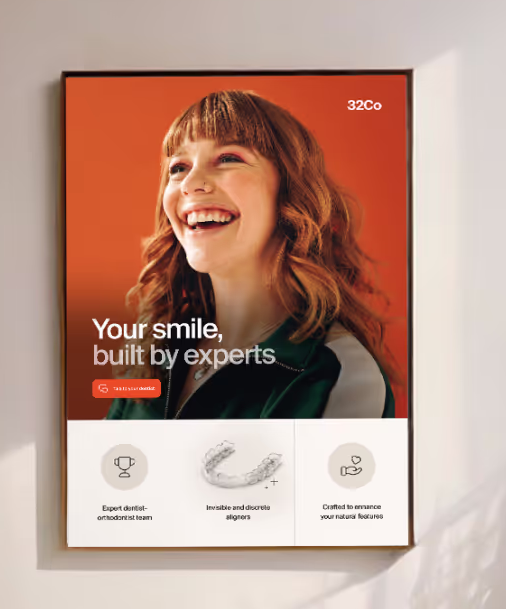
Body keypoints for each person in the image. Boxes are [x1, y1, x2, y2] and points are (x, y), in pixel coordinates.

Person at [103, 89, 399, 421]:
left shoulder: (338, 374)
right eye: (178, 167)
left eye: (229, 158)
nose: (190, 183)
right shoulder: (153, 355)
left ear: (290, 193)